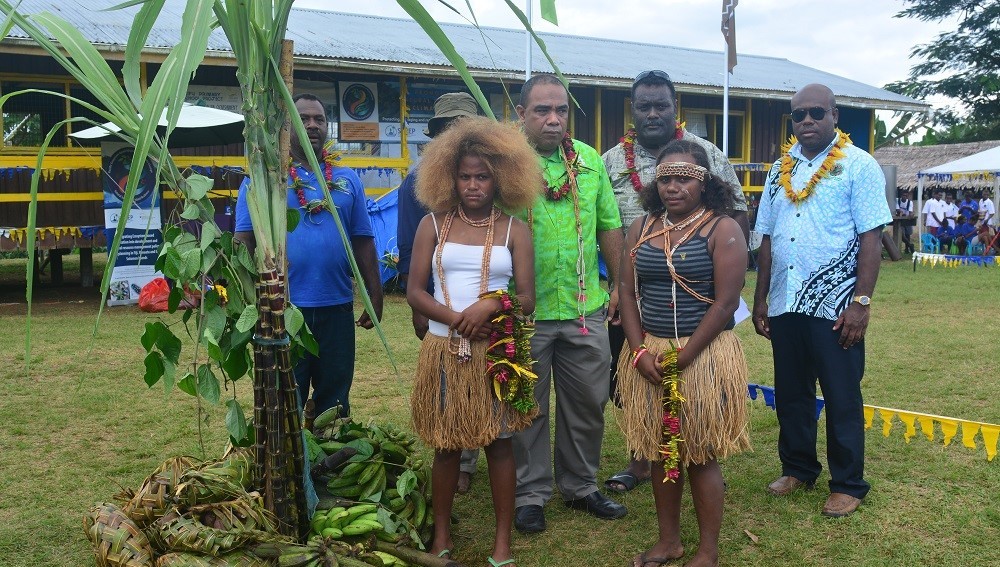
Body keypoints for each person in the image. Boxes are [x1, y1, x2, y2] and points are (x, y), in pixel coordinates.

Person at [600, 69, 750, 493]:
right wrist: (616, 284)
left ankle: (697, 446)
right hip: (634, 286)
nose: (652, 113)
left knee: (695, 386)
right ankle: (642, 456)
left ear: (674, 108)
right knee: (630, 377)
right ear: (633, 110)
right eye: (643, 106)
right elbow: (602, 226)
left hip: (698, 282)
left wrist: (720, 252)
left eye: (660, 105)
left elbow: (735, 209)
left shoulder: (707, 153)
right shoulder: (610, 161)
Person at [406, 116, 541, 566]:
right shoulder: (433, 225)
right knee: (446, 445)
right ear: (449, 176)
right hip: (445, 351)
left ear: (500, 177)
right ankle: (441, 534)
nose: (473, 185)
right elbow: (415, 291)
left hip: (495, 351)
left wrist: (491, 306)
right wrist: (460, 318)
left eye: (482, 176)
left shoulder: (513, 229)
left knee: (499, 443)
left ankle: (502, 542)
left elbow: (526, 298)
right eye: (464, 176)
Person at [752, 84, 891, 518]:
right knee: (792, 391)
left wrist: (861, 303)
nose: (807, 121)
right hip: (785, 300)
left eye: (816, 112)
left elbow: (872, 238)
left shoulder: (858, 164)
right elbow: (768, 238)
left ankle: (848, 483)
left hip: (835, 303)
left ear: (834, 115)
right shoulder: (779, 168)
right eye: (798, 115)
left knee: (841, 393)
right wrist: (761, 300)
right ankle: (798, 468)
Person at [617, 140, 750, 567]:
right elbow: (625, 291)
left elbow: (726, 302)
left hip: (704, 354)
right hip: (650, 352)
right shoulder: (641, 228)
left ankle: (707, 551)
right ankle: (668, 541)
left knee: (700, 452)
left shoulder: (722, 228)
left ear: (705, 182)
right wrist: (639, 353)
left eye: (684, 179)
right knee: (660, 448)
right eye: (666, 178)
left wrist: (685, 356)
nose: (673, 187)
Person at [511, 74, 627, 534]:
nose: (553, 119)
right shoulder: (505, 164)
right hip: (525, 313)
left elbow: (609, 226)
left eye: (561, 110)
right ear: (521, 114)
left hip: (585, 309)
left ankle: (580, 486)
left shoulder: (590, 161)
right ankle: (530, 493)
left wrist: (618, 284)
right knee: (527, 405)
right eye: (542, 110)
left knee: (587, 402)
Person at [235, 93, 383, 417]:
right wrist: (247, 297)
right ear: (286, 124)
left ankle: (331, 464)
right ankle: (292, 466)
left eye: (319, 119)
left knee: (336, 399)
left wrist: (375, 293)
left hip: (337, 309)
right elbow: (243, 240)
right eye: (303, 118)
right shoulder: (265, 179)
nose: (312, 125)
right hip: (284, 308)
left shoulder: (347, 180)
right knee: (287, 400)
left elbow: (363, 240)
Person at [396, 92, 481, 494]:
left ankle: (476, 450)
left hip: (485, 303)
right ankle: (455, 456)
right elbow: (411, 248)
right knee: (448, 377)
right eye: (448, 128)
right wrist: (420, 306)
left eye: (462, 126)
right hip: (438, 303)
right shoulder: (417, 181)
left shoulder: (492, 179)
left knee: (483, 374)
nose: (455, 135)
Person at [895, 189, 915, 254]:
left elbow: (910, 212)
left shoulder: (910, 202)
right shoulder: (897, 200)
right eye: (903, 195)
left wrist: (911, 214)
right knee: (902, 235)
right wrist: (900, 212)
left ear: (908, 196)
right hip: (899, 220)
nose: (904, 197)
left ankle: (907, 249)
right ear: (901, 195)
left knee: (908, 234)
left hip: (907, 219)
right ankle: (910, 245)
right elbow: (897, 209)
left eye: (906, 196)